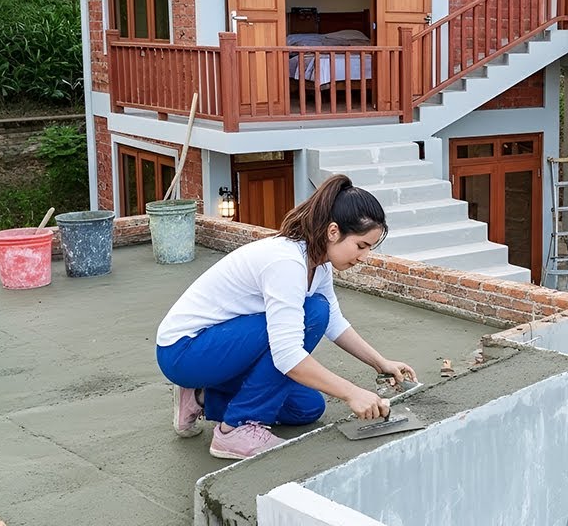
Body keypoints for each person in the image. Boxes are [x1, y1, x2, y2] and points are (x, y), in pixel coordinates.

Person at [155, 174, 417, 460]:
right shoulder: (287, 263)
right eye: (361, 245)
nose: (364, 256)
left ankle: (199, 397)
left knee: (307, 408)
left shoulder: (319, 265)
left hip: (220, 347)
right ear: (333, 232)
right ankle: (234, 431)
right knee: (314, 311)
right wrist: (352, 393)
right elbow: (287, 354)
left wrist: (381, 363)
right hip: (184, 351)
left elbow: (335, 324)